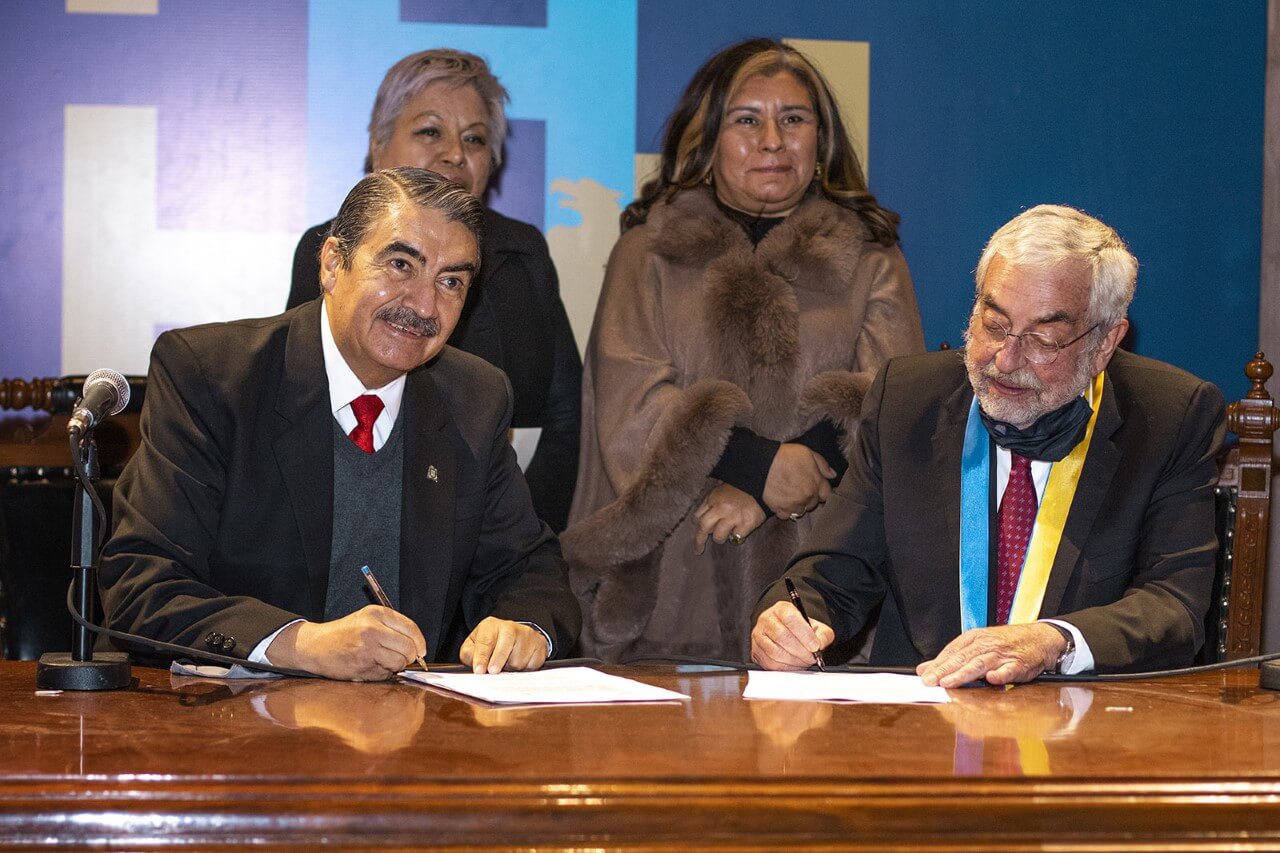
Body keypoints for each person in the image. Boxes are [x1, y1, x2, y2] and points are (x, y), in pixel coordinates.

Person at [101, 168, 581, 681]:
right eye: (401, 264)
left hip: (408, 733)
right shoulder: (211, 376)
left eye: (451, 282)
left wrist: (523, 627)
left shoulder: (475, 398)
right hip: (233, 727)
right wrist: (300, 644)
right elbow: (141, 587)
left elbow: (530, 570)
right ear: (332, 264)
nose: (423, 305)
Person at [752, 204, 1226, 684]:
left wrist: (1053, 640)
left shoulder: (1169, 417)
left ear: (1105, 342)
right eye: (993, 324)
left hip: (1082, 728)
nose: (1005, 357)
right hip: (920, 727)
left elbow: (1175, 606)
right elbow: (832, 573)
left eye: (1043, 339)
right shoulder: (907, 399)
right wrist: (790, 620)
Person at [563, 39, 925, 662]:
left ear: (821, 141)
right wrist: (758, 467)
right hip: (669, 594)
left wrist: (777, 484)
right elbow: (630, 412)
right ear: (707, 140)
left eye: (793, 119)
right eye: (746, 120)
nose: (772, 140)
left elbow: (890, 409)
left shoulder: (873, 257)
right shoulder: (647, 251)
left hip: (821, 608)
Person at [288, 49, 581, 532]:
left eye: (475, 139)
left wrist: (524, 535)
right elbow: (299, 408)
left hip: (500, 533)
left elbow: (566, 419)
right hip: (358, 529)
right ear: (378, 146)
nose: (454, 154)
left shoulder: (523, 253)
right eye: (430, 131)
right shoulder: (332, 249)